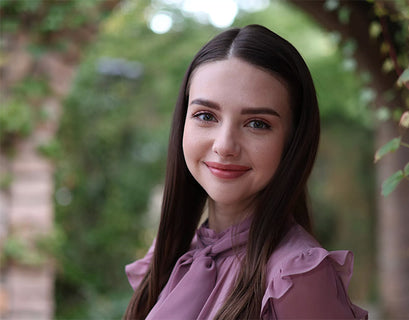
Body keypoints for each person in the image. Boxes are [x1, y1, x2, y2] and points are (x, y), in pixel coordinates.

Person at [124, 24, 368, 320]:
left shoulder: (297, 277)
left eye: (257, 123)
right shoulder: (172, 255)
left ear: (293, 141)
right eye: (205, 116)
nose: (225, 145)